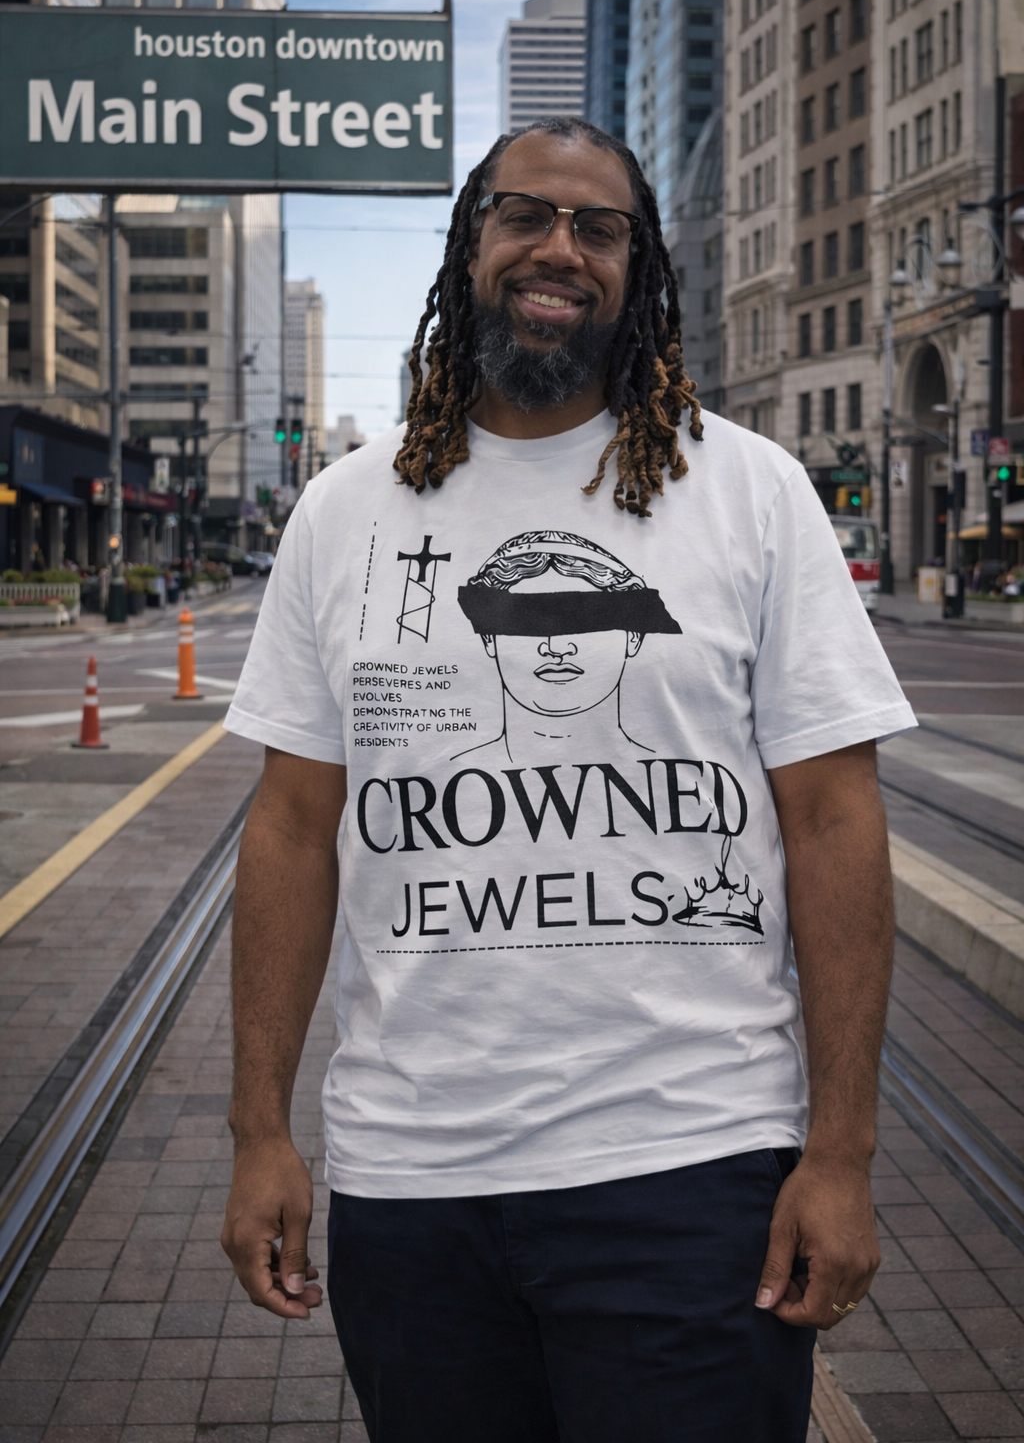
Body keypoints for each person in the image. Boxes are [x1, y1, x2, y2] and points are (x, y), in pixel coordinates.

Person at [221, 117, 915, 1443]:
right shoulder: (347, 511)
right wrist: (261, 1131)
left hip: (692, 1165)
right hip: (411, 1180)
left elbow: (834, 820)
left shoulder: (751, 493)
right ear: (466, 244)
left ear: (639, 268)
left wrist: (841, 1153)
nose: (560, 250)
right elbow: (293, 830)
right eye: (525, 216)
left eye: (600, 228)